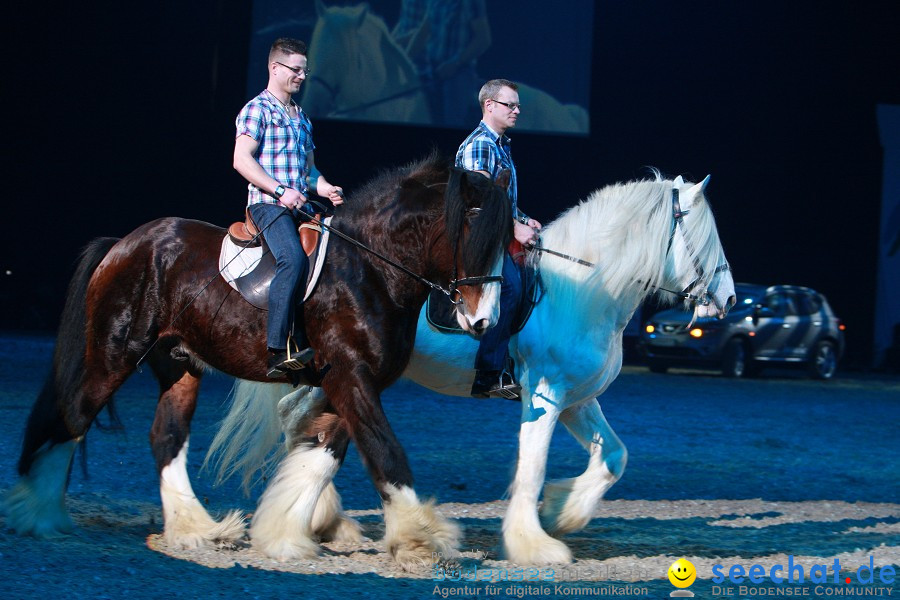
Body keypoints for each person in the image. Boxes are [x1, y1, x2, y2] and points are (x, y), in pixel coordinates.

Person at [233, 37, 344, 378]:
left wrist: (324, 187)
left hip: (300, 204)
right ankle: (276, 350)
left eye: (304, 70)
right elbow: (241, 159)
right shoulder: (257, 109)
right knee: (292, 258)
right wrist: (281, 190)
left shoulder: (301, 116)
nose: (301, 76)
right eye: (296, 70)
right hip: (269, 206)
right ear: (275, 68)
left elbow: (308, 170)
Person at [456, 79, 542, 399]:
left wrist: (523, 219)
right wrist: (514, 228)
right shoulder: (480, 144)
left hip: (496, 231)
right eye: (511, 105)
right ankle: (490, 372)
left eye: (518, 105)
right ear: (489, 105)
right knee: (510, 286)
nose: (517, 111)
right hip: (478, 236)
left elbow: (501, 199)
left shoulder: (500, 145)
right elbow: (480, 202)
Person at [392, 0, 491, 127]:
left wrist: (455, 63)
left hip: (458, 73)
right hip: (431, 71)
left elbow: (484, 39)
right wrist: (403, 62)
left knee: (451, 121)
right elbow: (423, 32)